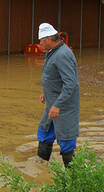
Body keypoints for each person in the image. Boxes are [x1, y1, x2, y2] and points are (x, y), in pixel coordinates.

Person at [36, 23, 80, 167]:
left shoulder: (63, 55)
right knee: (44, 132)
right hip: (52, 103)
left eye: (41, 40)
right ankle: (41, 169)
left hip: (64, 107)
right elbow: (53, 76)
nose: (40, 43)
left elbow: (70, 84)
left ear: (49, 38)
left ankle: (73, 177)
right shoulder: (53, 51)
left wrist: (57, 105)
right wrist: (45, 91)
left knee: (66, 141)